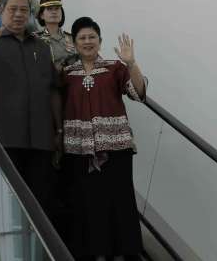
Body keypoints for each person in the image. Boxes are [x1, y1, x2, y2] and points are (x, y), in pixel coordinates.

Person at [0, 0, 62, 223]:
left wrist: (59, 130)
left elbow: (53, 90)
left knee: (43, 203)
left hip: (41, 139)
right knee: (7, 206)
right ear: (1, 11)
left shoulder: (41, 46)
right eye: (13, 9)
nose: (19, 15)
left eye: (24, 10)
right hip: (3, 138)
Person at [61, 17, 147, 261]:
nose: (88, 41)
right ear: (75, 43)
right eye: (82, 38)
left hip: (116, 148)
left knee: (120, 201)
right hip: (79, 150)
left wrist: (131, 63)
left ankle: (125, 252)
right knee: (89, 204)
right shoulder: (67, 73)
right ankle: (96, 252)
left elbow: (139, 94)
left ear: (99, 41)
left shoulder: (115, 67)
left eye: (92, 37)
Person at [34, 0, 76, 70]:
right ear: (41, 15)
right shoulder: (34, 39)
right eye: (49, 9)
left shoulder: (72, 38)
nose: (54, 12)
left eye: (57, 8)